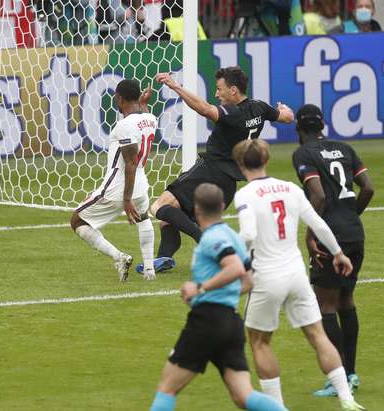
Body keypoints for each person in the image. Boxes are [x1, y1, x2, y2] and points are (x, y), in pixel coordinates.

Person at [232, 139, 365, 411]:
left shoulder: (245, 195)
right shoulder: (290, 188)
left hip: (266, 277)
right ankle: (347, 399)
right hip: (296, 274)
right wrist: (338, 254)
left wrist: (230, 255)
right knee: (317, 335)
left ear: (239, 164)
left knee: (259, 341)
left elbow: (247, 234)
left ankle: (277, 406)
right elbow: (319, 223)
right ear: (266, 160)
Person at [138, 66, 294, 275]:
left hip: (209, 171)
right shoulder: (260, 108)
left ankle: (205, 240)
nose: (216, 93)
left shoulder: (232, 113)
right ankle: (164, 257)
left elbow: (204, 108)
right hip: (229, 183)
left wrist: (175, 86)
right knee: (171, 215)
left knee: (158, 206)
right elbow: (287, 117)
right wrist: (283, 108)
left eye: (220, 89)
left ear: (233, 90)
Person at [149, 183, 285, 411]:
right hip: (231, 323)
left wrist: (200, 289)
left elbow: (234, 268)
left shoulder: (212, 238)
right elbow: (249, 281)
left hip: (207, 321)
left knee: (167, 387)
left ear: (195, 209)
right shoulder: (233, 236)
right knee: (243, 396)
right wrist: (221, 291)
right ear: (222, 206)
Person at [292, 104, 375, 397]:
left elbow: (317, 195)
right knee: (346, 300)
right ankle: (351, 373)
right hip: (354, 233)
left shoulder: (304, 153)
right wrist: (351, 215)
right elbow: (368, 188)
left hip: (330, 238)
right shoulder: (344, 148)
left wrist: (311, 234)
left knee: (325, 304)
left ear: (298, 128)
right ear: (323, 124)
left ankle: (338, 378)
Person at [70, 79, 156, 281]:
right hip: (141, 184)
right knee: (144, 219)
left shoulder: (123, 126)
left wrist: (126, 199)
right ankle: (150, 271)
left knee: (77, 221)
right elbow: (142, 118)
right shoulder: (151, 118)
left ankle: (119, 257)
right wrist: (143, 103)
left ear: (120, 99)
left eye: (116, 98)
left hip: (119, 187)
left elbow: (130, 162)